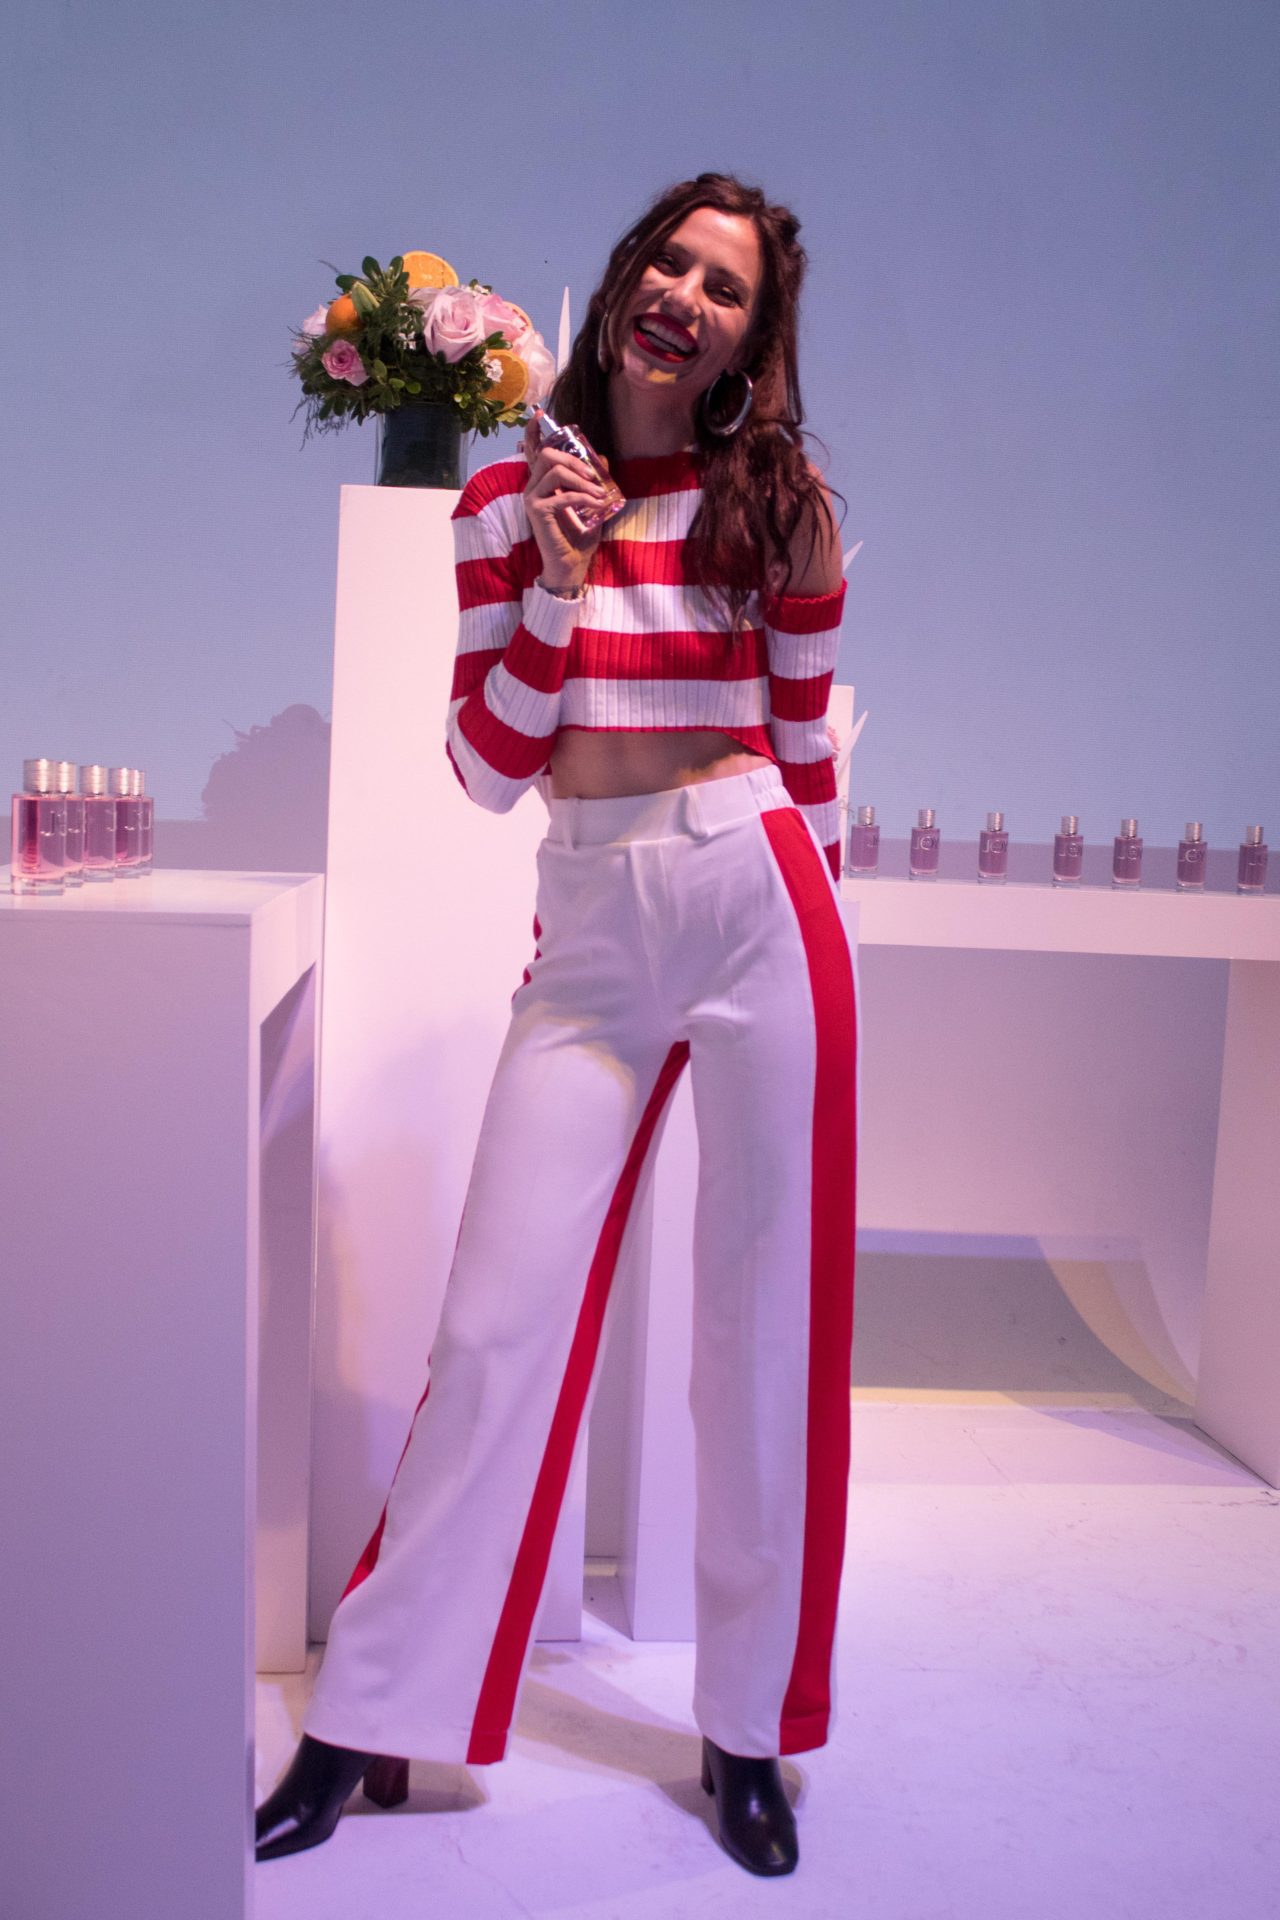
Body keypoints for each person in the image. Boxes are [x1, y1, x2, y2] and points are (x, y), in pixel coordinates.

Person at [256, 170, 859, 1881]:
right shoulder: (509, 495)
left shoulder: (778, 503)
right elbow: (485, 766)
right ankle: (366, 1723)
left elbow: (801, 750)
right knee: (494, 1332)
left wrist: (823, 938)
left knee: (762, 1334)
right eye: (672, 263)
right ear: (625, 277)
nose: (687, 298)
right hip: (591, 920)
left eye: (727, 289)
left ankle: (745, 1734)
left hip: (761, 896)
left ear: (751, 339)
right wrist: (556, 575)